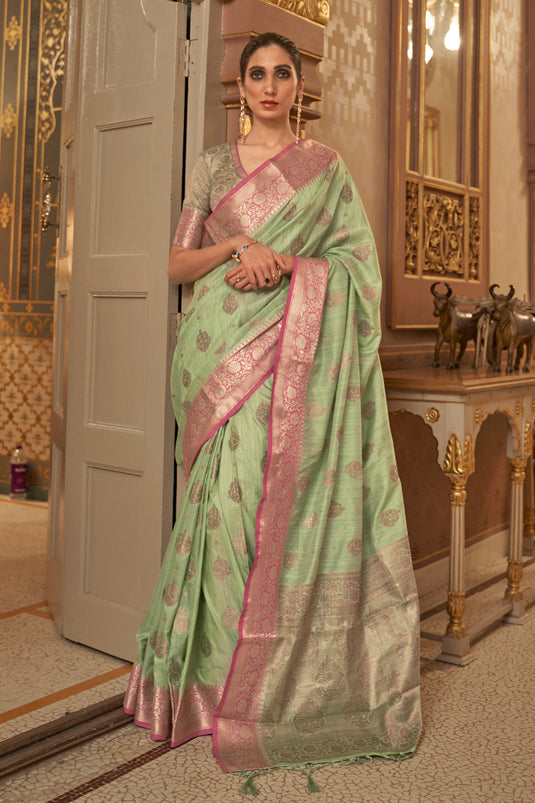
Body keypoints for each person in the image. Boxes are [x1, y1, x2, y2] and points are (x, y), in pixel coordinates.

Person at [124, 31, 422, 776]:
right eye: (255, 73)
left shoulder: (326, 169)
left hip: (292, 359)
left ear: (297, 86)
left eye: (281, 73)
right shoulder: (212, 166)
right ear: (240, 86)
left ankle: (266, 689)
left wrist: (287, 261)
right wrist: (238, 247)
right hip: (217, 352)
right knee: (222, 514)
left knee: (271, 509)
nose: (267, 85)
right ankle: (211, 685)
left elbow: (357, 267)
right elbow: (176, 264)